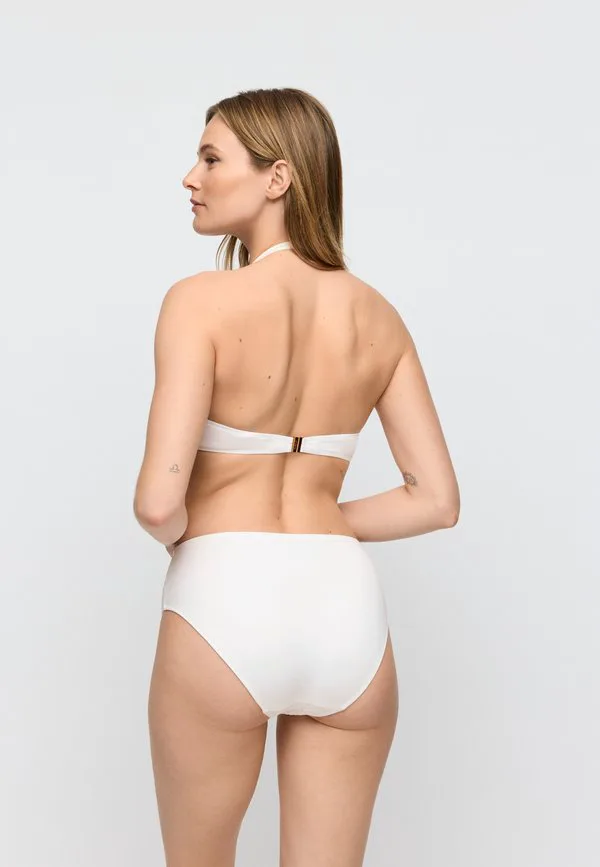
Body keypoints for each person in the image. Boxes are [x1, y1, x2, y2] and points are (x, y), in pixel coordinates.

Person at [133, 86, 460, 867]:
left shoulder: (199, 302)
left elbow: (157, 502)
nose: (191, 177)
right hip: (345, 609)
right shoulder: (377, 315)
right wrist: (325, 520)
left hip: (222, 599)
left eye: (211, 158)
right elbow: (437, 499)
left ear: (277, 177)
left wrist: (197, 536)